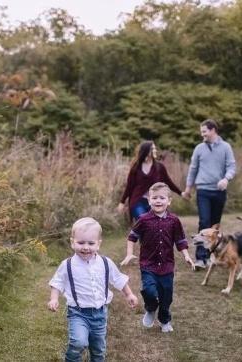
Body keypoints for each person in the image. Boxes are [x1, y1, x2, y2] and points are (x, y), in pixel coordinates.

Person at [48, 217, 138, 362]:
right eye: (81, 242)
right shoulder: (68, 265)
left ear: (98, 244)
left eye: (91, 243)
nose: (86, 247)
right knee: (79, 342)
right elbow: (57, 282)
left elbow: (118, 279)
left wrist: (129, 294)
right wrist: (54, 298)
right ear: (72, 242)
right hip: (78, 313)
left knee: (98, 350)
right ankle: (71, 359)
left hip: (100, 314)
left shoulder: (105, 263)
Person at [120, 182, 194, 333]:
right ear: (149, 200)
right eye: (154, 198)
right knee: (149, 290)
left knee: (166, 298)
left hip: (167, 266)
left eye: (162, 198)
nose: (158, 201)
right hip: (148, 264)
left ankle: (164, 320)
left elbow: (180, 240)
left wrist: (186, 255)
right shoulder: (143, 219)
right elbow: (132, 237)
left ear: (169, 200)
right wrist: (129, 254)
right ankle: (151, 309)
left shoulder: (174, 221)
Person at [182, 119, 236, 269]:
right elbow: (193, 169)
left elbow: (231, 167)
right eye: (201, 132)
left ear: (213, 130)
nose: (202, 134)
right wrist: (188, 189)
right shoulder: (199, 148)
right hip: (203, 190)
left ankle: (213, 255)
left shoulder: (226, 147)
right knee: (204, 222)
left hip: (219, 191)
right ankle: (200, 258)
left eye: (204, 131)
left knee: (214, 227)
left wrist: (226, 178)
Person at [118, 141, 183, 223]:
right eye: (153, 149)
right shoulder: (136, 167)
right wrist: (122, 202)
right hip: (138, 201)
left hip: (155, 201)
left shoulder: (159, 167)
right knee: (144, 221)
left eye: (155, 148)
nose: (155, 150)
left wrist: (181, 193)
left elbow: (168, 182)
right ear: (146, 151)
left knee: (156, 225)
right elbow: (129, 186)